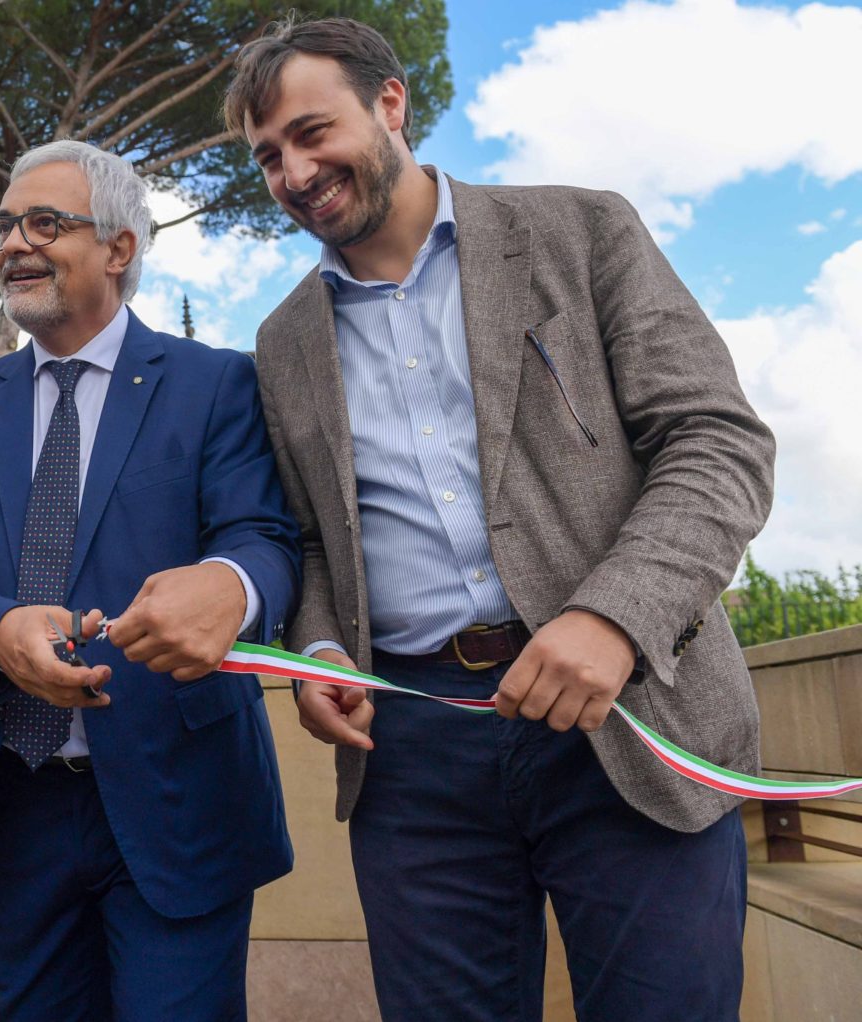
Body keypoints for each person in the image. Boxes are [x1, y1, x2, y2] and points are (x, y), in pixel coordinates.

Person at [226, 16, 776, 1021]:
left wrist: (613, 618)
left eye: (312, 132)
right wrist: (319, 648)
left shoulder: (583, 229)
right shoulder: (281, 339)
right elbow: (310, 541)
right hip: (412, 753)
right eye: (268, 157)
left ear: (391, 103)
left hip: (630, 718)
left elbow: (718, 441)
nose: (294, 173)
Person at [0, 139, 301, 1020]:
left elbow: (265, 539)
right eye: (5, 226)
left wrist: (229, 582)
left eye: (44, 223)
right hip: (20, 802)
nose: (13, 243)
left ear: (119, 248)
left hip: (179, 800)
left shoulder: (216, 383)